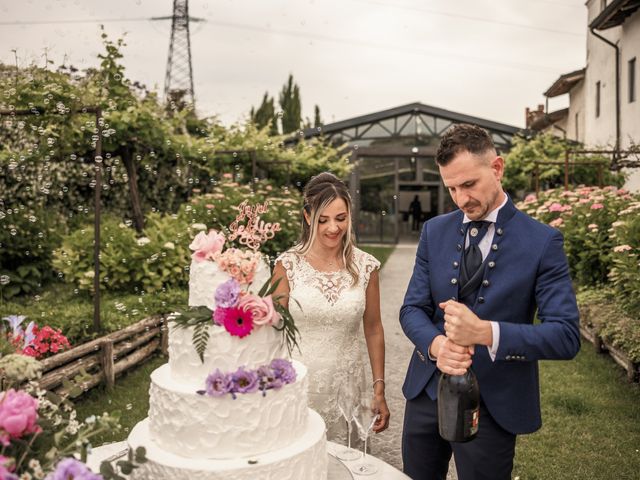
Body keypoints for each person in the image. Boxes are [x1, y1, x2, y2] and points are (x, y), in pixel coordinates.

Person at [399, 124, 580, 480]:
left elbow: (566, 336)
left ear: (497, 168)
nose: (461, 199)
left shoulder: (542, 242)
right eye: (451, 188)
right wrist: (436, 345)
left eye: (469, 184)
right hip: (425, 394)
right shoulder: (434, 231)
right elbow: (411, 309)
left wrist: (486, 333)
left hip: (494, 404)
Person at [273, 172, 390, 442]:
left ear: (350, 214)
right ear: (307, 216)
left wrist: (379, 389)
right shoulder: (287, 265)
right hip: (297, 387)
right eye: (322, 220)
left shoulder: (366, 266)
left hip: (347, 390)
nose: (333, 228)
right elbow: (273, 328)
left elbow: (373, 329)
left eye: (341, 218)